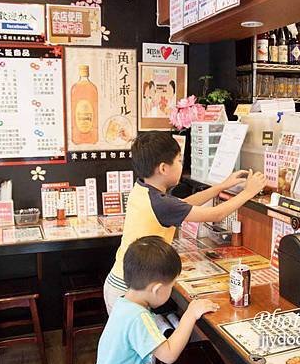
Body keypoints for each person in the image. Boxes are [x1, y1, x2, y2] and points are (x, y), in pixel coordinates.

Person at [104, 131, 268, 314]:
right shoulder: (160, 203)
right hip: (128, 289)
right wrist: (248, 192)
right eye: (179, 161)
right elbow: (217, 214)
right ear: (164, 168)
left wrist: (221, 186)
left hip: (121, 280)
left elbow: (184, 204)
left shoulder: (144, 188)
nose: (181, 166)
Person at [88, 236, 219, 364]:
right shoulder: (139, 317)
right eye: (170, 287)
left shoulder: (123, 304)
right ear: (157, 289)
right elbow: (169, 354)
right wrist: (190, 314)